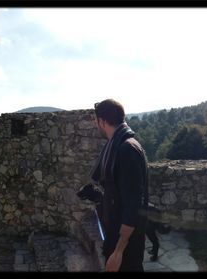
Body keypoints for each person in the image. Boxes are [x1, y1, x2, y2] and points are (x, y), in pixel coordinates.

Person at [89, 99, 150, 272]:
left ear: (102, 121)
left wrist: (118, 252)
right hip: (116, 235)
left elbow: (133, 205)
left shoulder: (126, 150)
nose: (97, 126)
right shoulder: (119, 146)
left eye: (96, 122)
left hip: (126, 243)